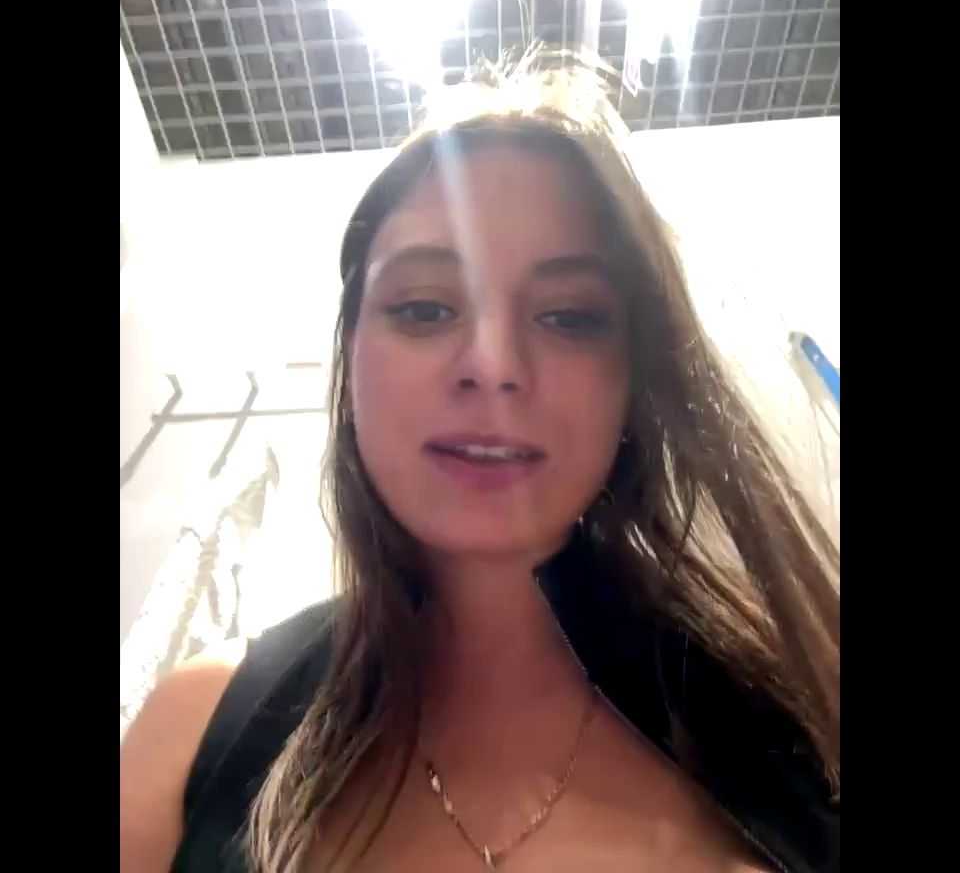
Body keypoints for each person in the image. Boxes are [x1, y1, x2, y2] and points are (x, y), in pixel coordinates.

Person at [120, 54, 839, 873]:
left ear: (633, 384)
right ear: (350, 367)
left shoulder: (804, 717)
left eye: (569, 317)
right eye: (424, 308)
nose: (492, 364)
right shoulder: (196, 730)